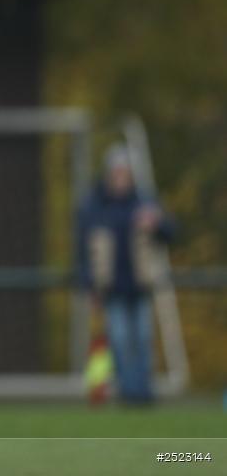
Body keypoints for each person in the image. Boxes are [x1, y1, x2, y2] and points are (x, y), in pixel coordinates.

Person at [77, 144, 175, 404]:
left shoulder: (144, 201)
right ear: (109, 175)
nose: (121, 178)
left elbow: (171, 232)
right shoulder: (95, 206)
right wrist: (89, 285)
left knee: (143, 339)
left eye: (126, 173)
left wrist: (156, 223)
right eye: (117, 173)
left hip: (140, 285)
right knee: (120, 339)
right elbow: (83, 251)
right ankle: (128, 392)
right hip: (111, 287)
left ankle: (143, 392)